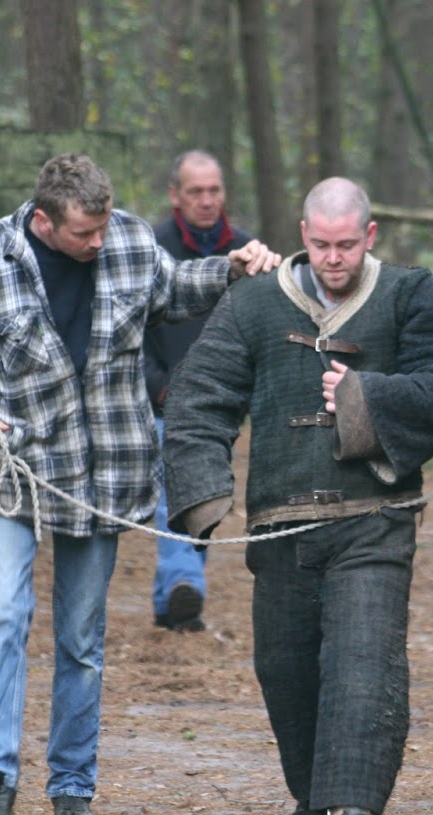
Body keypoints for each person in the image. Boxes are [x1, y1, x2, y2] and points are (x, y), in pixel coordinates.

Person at [0, 153, 279, 815]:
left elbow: (175, 290)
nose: (98, 242)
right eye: (83, 233)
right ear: (43, 220)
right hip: (11, 476)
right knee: (5, 614)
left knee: (80, 638)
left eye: (104, 228)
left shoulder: (131, 242)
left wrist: (233, 266)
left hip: (102, 477)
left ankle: (73, 790)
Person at [164, 177, 433, 815]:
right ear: (304, 235)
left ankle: (356, 811)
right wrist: (203, 492)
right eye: (322, 244)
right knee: (285, 665)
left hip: (375, 516)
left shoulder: (408, 294)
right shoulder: (251, 304)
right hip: (280, 522)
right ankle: (311, 797)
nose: (334, 258)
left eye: (347, 245)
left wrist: (366, 397)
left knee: (363, 658)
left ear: (369, 237)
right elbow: (199, 395)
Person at [143, 151, 255, 633]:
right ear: (175, 195)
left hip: (223, 406)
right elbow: (130, 331)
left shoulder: (249, 252)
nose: (207, 201)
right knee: (172, 499)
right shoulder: (150, 247)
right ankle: (186, 583)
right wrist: (158, 386)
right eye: (196, 192)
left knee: (205, 499)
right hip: (165, 402)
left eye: (214, 190)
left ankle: (171, 602)